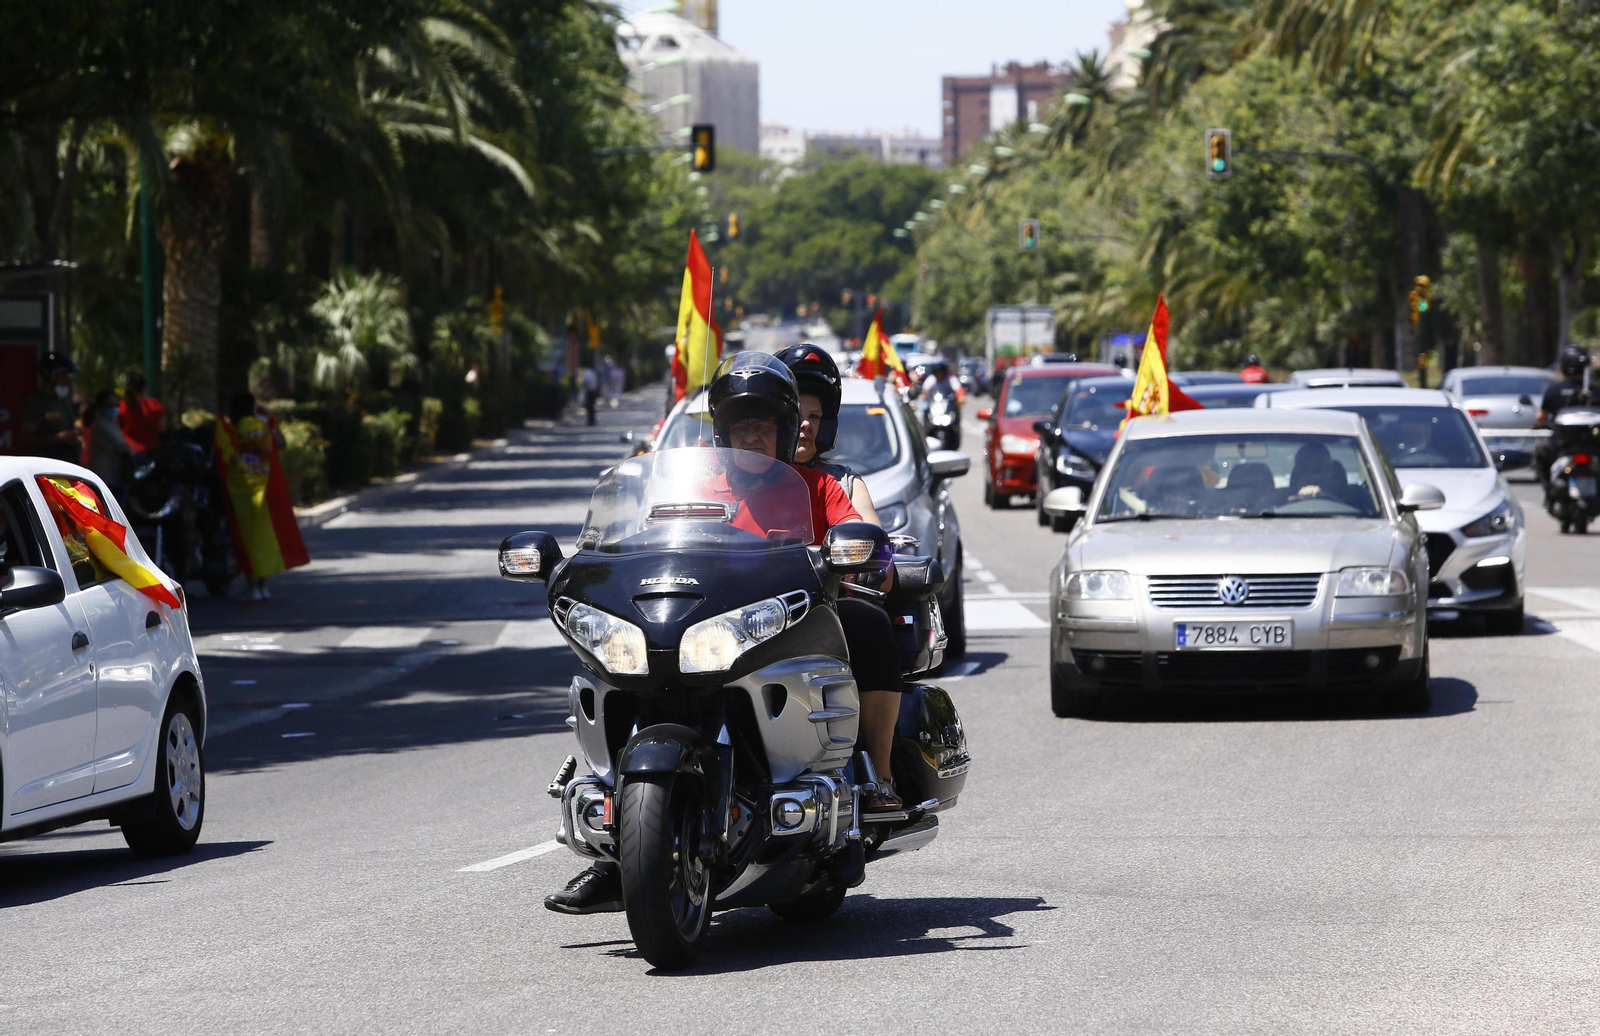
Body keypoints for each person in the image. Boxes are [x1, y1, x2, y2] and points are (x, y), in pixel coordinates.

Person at [545, 352, 890, 916]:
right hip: (702, 622)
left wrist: (863, 556)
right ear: (723, 432)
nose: (751, 437)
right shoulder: (692, 485)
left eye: (764, 426)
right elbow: (637, 538)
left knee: (869, 624)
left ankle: (874, 778)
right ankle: (618, 855)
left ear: (784, 432)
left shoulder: (817, 487)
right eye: (740, 427)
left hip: (785, 620)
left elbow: (867, 543)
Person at [215, 391, 310, 600]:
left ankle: (251, 586)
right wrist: (269, 421)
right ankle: (263, 586)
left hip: (241, 491)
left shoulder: (229, 430)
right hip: (266, 488)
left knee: (246, 539)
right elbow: (281, 443)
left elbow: (224, 456)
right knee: (264, 537)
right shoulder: (263, 428)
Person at [20, 352, 82, 463]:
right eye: (64, 374)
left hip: (68, 463)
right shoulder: (37, 402)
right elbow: (26, 438)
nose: (68, 379)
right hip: (47, 467)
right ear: (50, 375)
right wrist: (58, 438)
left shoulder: (63, 401)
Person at [84, 389, 136, 497]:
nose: (114, 408)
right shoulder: (101, 425)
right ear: (101, 406)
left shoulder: (112, 424)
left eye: (116, 404)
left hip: (115, 479)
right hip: (105, 480)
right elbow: (122, 446)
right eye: (110, 405)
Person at [118, 371, 166, 454]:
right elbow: (162, 429)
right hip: (151, 451)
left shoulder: (122, 406)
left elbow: (117, 430)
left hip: (130, 453)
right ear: (145, 387)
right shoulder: (156, 405)